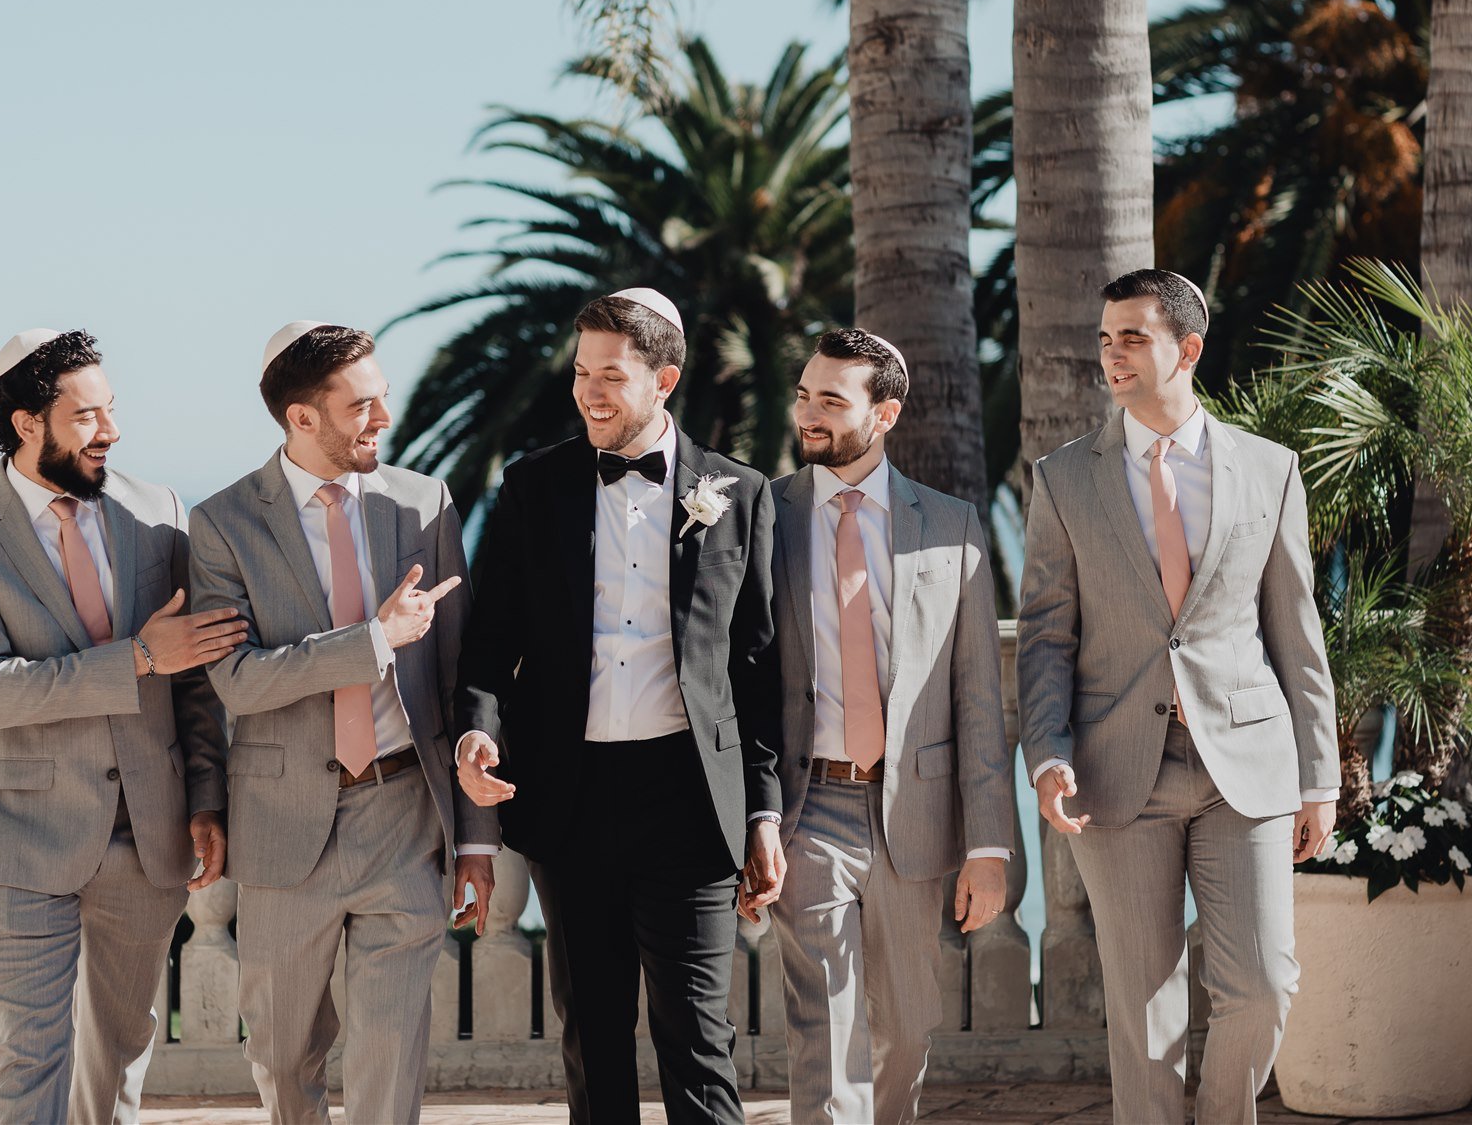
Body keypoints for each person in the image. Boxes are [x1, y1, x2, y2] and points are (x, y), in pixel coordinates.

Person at [1016, 270, 1341, 1124]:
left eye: (1133, 336)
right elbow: (1046, 633)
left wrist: (1321, 780)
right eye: (1104, 337)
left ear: (1187, 349)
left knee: (1266, 985)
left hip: (1248, 765)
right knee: (1145, 1012)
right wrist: (1046, 754)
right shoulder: (1063, 479)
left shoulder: (1268, 469)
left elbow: (1296, 632)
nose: (1111, 353)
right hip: (1117, 770)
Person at [454, 288, 782, 1125]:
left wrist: (765, 813)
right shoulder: (534, 487)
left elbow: (759, 670)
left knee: (701, 1037)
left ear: (664, 378)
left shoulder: (739, 494)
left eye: (611, 375)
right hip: (572, 795)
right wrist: (477, 735)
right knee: (592, 1033)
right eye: (580, 372)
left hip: (691, 798)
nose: (588, 392)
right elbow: (490, 641)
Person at [0, 328, 238, 1123]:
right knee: (29, 1057)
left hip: (145, 834)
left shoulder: (156, 511)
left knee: (119, 1055)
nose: (110, 432)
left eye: (112, 410)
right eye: (87, 416)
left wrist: (206, 796)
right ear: (29, 423)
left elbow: (190, 677)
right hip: (19, 838)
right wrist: (135, 658)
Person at [189, 321, 495, 1124]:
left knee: (391, 1057)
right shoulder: (222, 524)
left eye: (382, 397)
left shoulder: (422, 503)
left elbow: (465, 675)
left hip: (404, 811)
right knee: (284, 1058)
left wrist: (475, 837)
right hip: (285, 827)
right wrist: (371, 642)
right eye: (361, 404)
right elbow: (238, 680)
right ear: (302, 417)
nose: (382, 419)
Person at [766, 329, 1017, 1125]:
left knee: (908, 1028)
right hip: (809, 809)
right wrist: (753, 816)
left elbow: (980, 696)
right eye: (805, 394)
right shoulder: (761, 518)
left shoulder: (952, 527)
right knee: (825, 1028)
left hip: (915, 811)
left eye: (832, 400)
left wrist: (989, 845)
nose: (809, 412)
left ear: (886, 413)